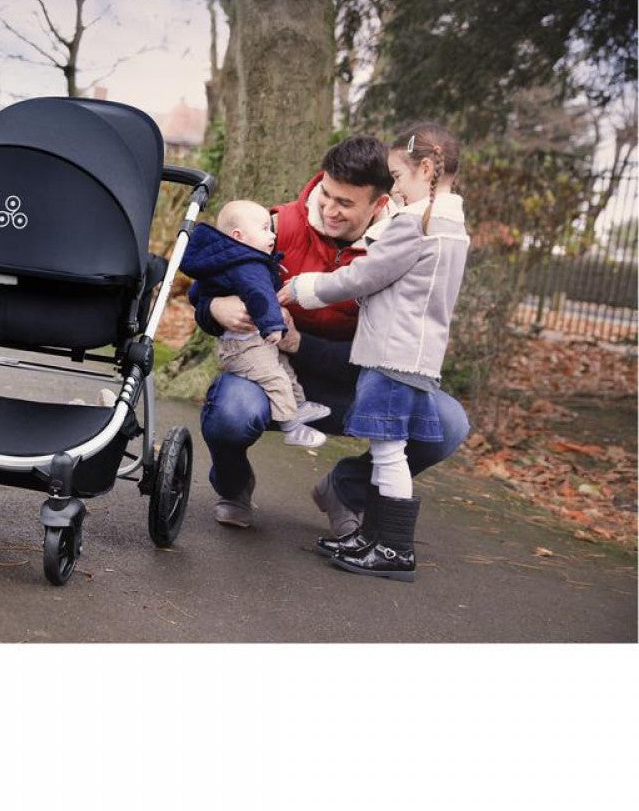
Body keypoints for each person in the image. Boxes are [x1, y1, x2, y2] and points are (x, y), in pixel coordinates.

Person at [191, 134, 470, 533]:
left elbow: (393, 343)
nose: (329, 209)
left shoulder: (400, 246)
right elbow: (210, 285)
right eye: (326, 194)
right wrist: (215, 308)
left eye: (345, 203)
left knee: (446, 425)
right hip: (269, 376)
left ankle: (345, 489)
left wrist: (301, 344)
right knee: (232, 411)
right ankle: (234, 485)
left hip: (356, 383)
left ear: (379, 204)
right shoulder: (274, 228)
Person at [277, 123, 468, 581]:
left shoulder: (416, 223)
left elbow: (364, 275)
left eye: (397, 177)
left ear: (426, 168)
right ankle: (373, 538)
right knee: (392, 450)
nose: (394, 189)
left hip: (391, 355)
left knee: (388, 452)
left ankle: (393, 548)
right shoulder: (452, 228)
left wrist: (305, 287)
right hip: (417, 354)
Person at [180, 201, 331, 472]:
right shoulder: (248, 264)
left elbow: (196, 292)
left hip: (254, 341)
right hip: (244, 347)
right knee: (275, 378)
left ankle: (298, 405)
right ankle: (291, 426)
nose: (272, 235)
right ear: (239, 236)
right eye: (264, 229)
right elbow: (260, 296)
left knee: (283, 370)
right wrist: (273, 325)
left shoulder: (228, 259)